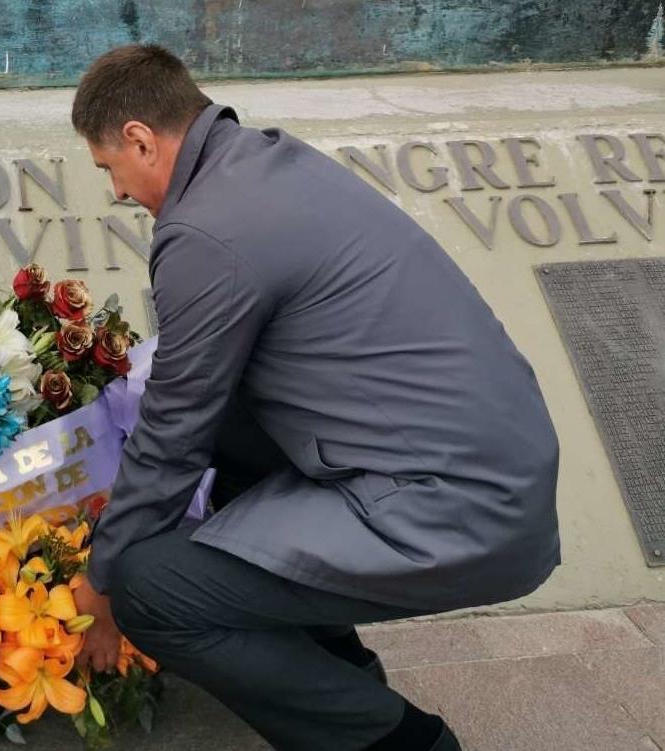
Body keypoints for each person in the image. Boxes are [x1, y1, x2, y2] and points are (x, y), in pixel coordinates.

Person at [68, 46, 560, 751]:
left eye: (108, 167)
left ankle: (400, 742)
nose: (115, 191)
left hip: (453, 503)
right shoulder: (263, 161)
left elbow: (172, 433)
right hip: (489, 465)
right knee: (234, 430)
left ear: (142, 139)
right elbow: (203, 416)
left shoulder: (205, 230)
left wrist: (102, 578)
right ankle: (342, 672)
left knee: (153, 589)